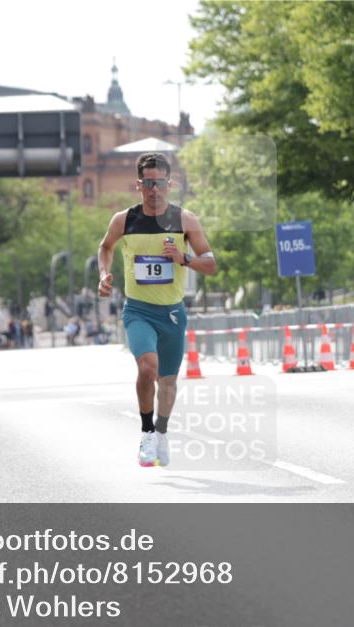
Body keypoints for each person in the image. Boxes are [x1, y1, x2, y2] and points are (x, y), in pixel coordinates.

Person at [97, 152, 217, 467]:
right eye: (148, 183)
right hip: (138, 310)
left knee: (167, 381)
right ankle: (147, 432)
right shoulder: (124, 220)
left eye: (159, 183)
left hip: (172, 313)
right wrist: (103, 274)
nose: (154, 190)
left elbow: (211, 264)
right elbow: (105, 246)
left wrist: (184, 258)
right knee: (147, 367)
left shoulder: (185, 220)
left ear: (169, 183)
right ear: (138, 184)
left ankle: (162, 432)